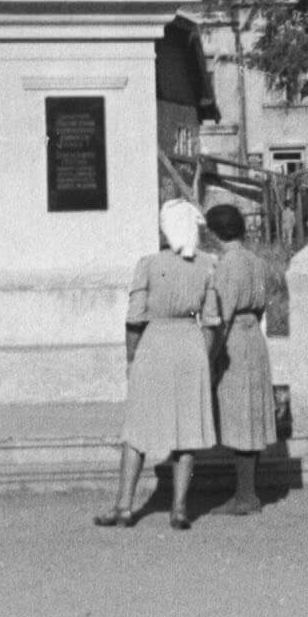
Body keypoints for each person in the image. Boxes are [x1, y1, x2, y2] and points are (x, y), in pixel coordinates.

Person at [96, 199, 217, 530]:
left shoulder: (148, 264)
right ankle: (179, 509)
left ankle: (124, 506)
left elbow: (134, 318)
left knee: (137, 429)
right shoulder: (208, 264)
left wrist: (131, 357)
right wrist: (204, 358)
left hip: (155, 345)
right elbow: (211, 321)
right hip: (190, 346)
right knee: (187, 431)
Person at [206, 202, 283, 516]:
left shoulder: (227, 264)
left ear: (215, 233)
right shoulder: (256, 261)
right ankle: (248, 491)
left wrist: (212, 356)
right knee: (251, 413)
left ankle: (245, 495)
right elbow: (261, 305)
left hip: (234, 339)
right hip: (254, 337)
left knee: (239, 415)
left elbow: (222, 316)